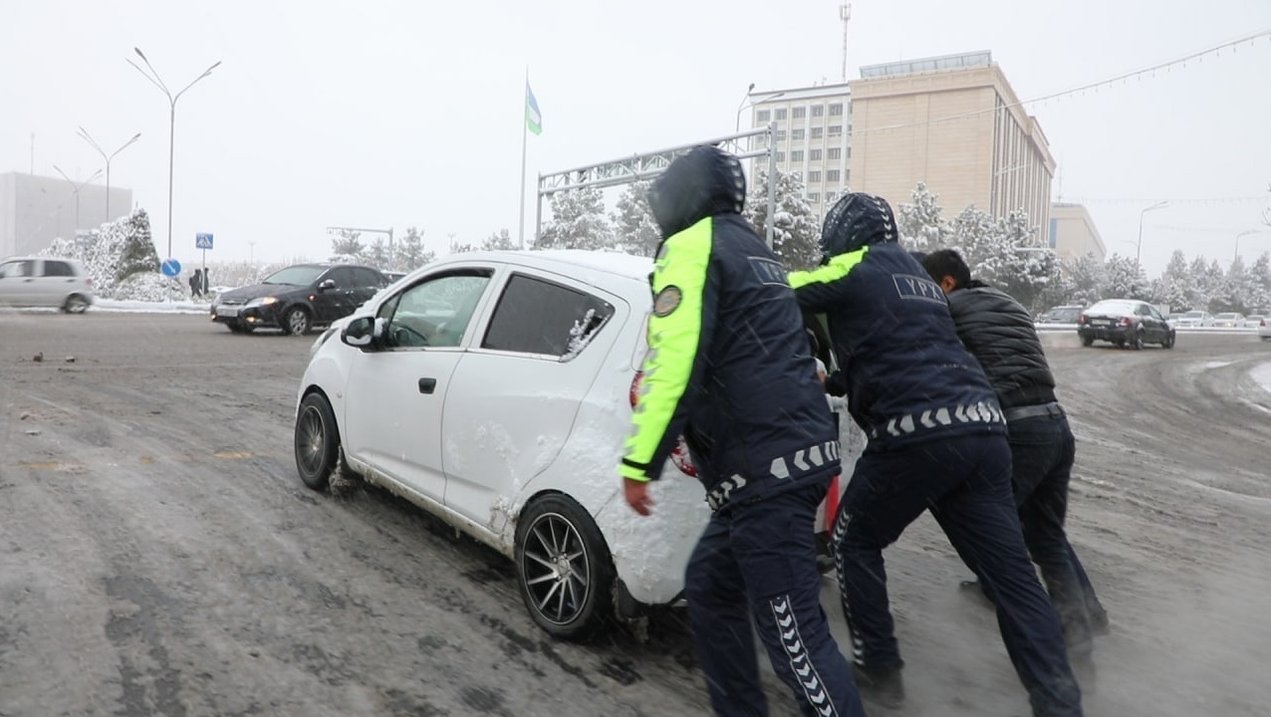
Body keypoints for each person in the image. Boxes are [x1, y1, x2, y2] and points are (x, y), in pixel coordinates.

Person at [789, 192, 1082, 717]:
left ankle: (879, 668)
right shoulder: (920, 277)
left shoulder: (856, 262)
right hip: (986, 430)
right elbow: (905, 348)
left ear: (843, 233)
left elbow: (778, 292)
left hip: (916, 432)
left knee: (853, 540)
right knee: (1011, 577)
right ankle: (1060, 701)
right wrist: (834, 379)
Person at [620, 146, 865, 717]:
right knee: (710, 587)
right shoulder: (755, 250)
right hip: (776, 463)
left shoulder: (690, 246)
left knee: (794, 636)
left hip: (763, 470)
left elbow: (674, 360)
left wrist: (640, 463)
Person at [920, 248, 1109, 661]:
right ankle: (1083, 623)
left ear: (946, 283)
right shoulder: (1007, 302)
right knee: (1046, 535)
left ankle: (1048, 633)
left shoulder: (947, 307)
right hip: (1056, 424)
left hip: (1020, 430)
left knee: (991, 525)